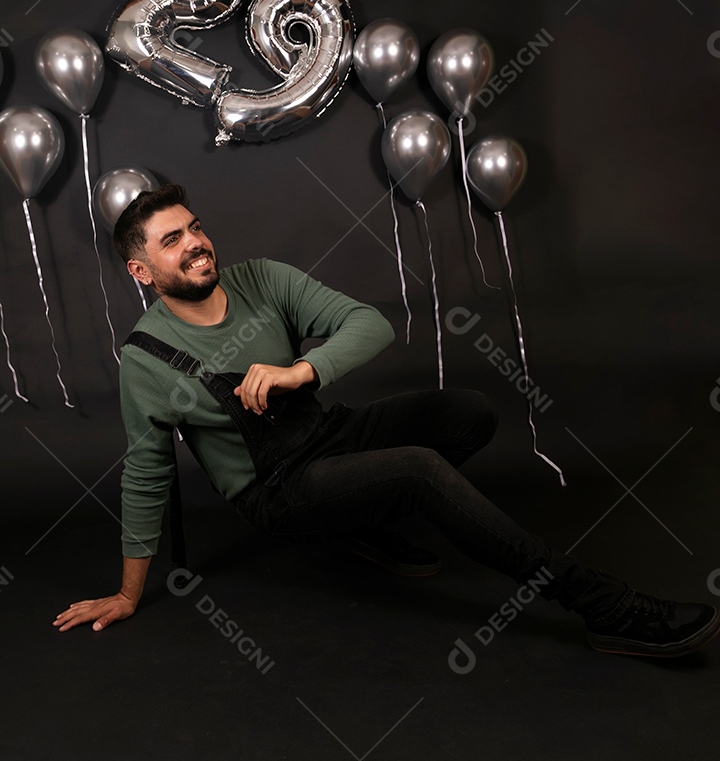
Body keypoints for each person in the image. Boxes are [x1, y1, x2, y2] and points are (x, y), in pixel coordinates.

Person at [53, 184, 719, 659]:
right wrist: (127, 594)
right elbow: (146, 474)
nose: (197, 244)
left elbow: (369, 323)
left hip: (328, 436)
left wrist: (300, 371)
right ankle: (600, 605)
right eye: (173, 240)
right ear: (142, 271)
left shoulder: (262, 279)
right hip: (276, 490)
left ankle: (362, 520)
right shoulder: (147, 359)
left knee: (470, 413)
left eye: (195, 227)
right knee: (419, 471)